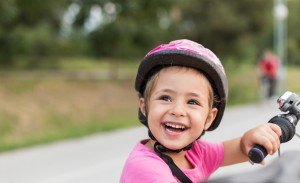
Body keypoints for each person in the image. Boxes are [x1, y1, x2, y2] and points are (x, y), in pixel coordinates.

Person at [120, 39, 282, 183]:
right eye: (165, 98)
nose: (178, 111)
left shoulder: (196, 153)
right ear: (144, 106)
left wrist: (249, 139)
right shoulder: (145, 169)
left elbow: (238, 149)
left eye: (192, 101)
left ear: (209, 118)